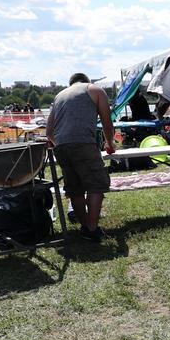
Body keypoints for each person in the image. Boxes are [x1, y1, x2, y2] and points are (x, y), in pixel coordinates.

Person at [45, 72, 115, 242]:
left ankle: (86, 227)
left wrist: (63, 143)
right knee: (96, 185)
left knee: (75, 188)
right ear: (87, 81)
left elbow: (49, 132)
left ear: (71, 84)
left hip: (61, 146)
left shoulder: (59, 96)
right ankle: (92, 229)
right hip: (83, 143)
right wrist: (110, 144)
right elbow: (107, 122)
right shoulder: (95, 90)